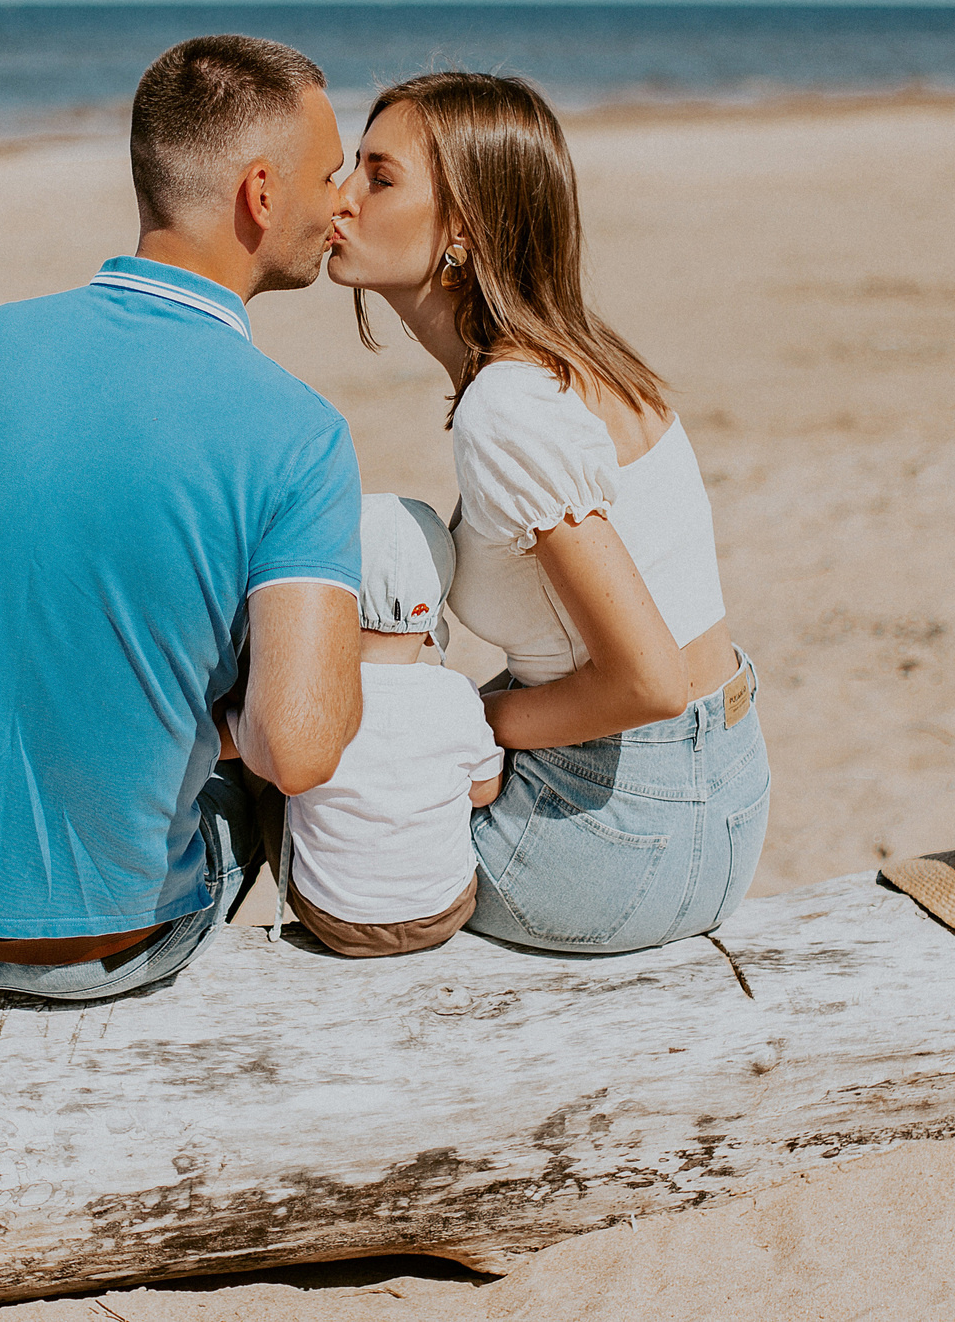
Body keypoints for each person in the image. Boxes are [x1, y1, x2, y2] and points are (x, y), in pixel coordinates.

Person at [0, 35, 365, 999]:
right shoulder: (299, 431)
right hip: (108, 944)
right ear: (261, 193)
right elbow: (301, 746)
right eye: (329, 175)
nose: (343, 204)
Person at [325, 71, 769, 954]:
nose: (340, 198)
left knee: (325, 787)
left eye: (379, 177)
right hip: (724, 801)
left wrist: (470, 724)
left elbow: (648, 682)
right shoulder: (580, 362)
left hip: (616, 837)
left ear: (465, 229)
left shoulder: (508, 408)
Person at [234, 494, 505, 958]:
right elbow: (484, 792)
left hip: (333, 918)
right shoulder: (458, 695)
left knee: (270, 767)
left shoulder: (316, 697)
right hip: (444, 912)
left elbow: (273, 756)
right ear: (432, 621)